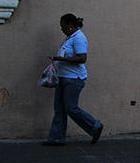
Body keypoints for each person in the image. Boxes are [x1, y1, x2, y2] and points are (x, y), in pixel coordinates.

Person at [44, 13, 104, 146]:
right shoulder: (69, 38)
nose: (61, 29)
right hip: (63, 78)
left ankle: (95, 126)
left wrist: (60, 59)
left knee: (71, 108)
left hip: (74, 79)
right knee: (59, 109)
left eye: (63, 26)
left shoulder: (79, 38)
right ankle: (56, 139)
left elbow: (82, 58)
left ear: (70, 25)